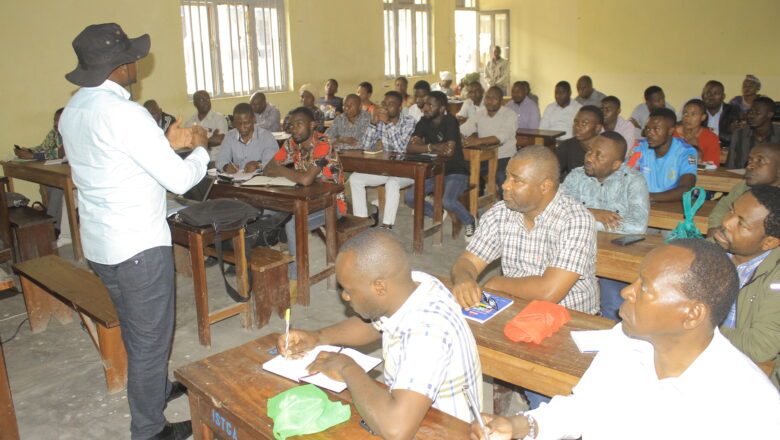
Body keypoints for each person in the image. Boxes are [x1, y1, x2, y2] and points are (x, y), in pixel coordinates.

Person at [59, 23, 210, 440]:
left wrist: (163, 140)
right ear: (120, 66)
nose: (137, 63)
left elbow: (117, 162)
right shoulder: (125, 113)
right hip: (139, 246)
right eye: (132, 57)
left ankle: (156, 391)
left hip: (102, 245)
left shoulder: (75, 110)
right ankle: (149, 429)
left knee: (136, 327)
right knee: (150, 341)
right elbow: (180, 180)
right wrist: (198, 147)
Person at [471, 239, 780, 440]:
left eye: (644, 287)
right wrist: (521, 426)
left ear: (691, 314)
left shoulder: (753, 407)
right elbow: (586, 408)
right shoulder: (627, 339)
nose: (625, 292)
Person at [279, 229, 482, 437]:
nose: (346, 297)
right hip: (411, 412)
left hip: (441, 430)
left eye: (348, 289)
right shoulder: (414, 285)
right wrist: (318, 337)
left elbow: (396, 430)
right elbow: (375, 324)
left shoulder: (428, 333)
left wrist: (348, 368)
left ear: (380, 288)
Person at [451, 146, 598, 314]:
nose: (505, 185)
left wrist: (497, 283)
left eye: (517, 180)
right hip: (513, 306)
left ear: (545, 186)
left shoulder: (576, 220)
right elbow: (467, 262)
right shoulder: (500, 213)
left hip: (569, 317)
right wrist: (464, 279)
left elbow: (548, 292)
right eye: (507, 176)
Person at [561, 132, 649, 320]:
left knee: (614, 306)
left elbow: (637, 225)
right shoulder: (576, 176)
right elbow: (556, 211)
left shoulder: (633, 180)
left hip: (614, 255)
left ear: (616, 165)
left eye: (598, 155)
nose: (589, 158)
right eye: (590, 151)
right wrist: (590, 213)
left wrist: (580, 218)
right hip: (576, 251)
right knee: (564, 302)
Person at [264, 107, 344, 289]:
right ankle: (268, 267)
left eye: (299, 124)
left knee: (293, 222)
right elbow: (269, 168)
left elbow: (306, 179)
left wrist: (285, 170)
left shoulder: (324, 143)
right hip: (303, 201)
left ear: (312, 125)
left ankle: (296, 277)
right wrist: (294, 173)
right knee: (266, 210)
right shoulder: (292, 143)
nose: (294, 129)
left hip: (331, 204)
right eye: (291, 125)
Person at [712, 186, 780, 388]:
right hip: (708, 356)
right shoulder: (712, 250)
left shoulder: (776, 276)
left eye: (741, 224)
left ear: (768, 242)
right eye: (731, 210)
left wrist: (699, 328)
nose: (726, 222)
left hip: (752, 374)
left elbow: (761, 346)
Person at [403, 91, 476, 240]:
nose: (425, 108)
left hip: (456, 171)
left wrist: (424, 146)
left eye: (430, 105)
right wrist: (433, 147)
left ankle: (470, 220)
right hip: (433, 171)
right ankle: (436, 213)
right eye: (425, 104)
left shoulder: (450, 121)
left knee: (448, 200)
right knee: (410, 197)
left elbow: (449, 152)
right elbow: (410, 147)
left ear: (442, 108)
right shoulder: (423, 121)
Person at [350, 91, 417, 229]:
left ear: (400, 107)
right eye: (384, 104)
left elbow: (402, 150)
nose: (386, 107)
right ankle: (362, 222)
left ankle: (387, 226)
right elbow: (365, 146)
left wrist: (388, 123)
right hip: (387, 169)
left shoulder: (410, 122)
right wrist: (373, 124)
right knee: (355, 178)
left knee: (392, 183)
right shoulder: (380, 122)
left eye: (391, 104)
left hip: (408, 170)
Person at [13, 108, 68, 241]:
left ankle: (52, 224)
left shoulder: (72, 132)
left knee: (56, 188)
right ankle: (53, 222)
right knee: (47, 185)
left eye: (57, 120)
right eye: (54, 120)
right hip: (58, 169)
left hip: (71, 173)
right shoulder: (54, 133)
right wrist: (29, 150)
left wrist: (33, 155)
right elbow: (44, 147)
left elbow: (60, 153)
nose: (55, 123)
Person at [708, 143, 780, 235]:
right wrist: (714, 227)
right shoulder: (745, 186)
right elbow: (724, 205)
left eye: (760, 161)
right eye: (750, 160)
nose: (749, 166)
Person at [626, 108, 697, 202]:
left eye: (656, 129)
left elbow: (686, 188)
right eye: (648, 128)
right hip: (640, 204)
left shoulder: (686, 152)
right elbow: (624, 177)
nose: (650, 133)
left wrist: (648, 197)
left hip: (672, 205)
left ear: (671, 131)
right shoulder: (640, 147)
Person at [461, 86, 518, 196]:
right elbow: (463, 129)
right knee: (460, 169)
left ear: (501, 101)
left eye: (494, 98)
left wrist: (477, 141)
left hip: (504, 157)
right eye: (487, 97)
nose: (489, 101)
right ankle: (470, 204)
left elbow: (500, 137)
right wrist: (460, 136)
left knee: (501, 175)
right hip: (483, 157)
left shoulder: (510, 115)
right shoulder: (479, 114)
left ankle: (507, 206)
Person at [215, 103, 278, 173]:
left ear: (254, 120)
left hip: (261, 180)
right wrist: (225, 167)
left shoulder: (266, 137)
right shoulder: (230, 136)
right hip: (237, 180)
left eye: (246, 123)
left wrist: (258, 165)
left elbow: (273, 163)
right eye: (238, 123)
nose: (242, 127)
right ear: (234, 123)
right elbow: (220, 159)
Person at [726, 96, 780, 168]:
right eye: (750, 111)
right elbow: (730, 166)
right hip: (742, 177)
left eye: (757, 113)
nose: (751, 115)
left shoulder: (778, 134)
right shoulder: (739, 134)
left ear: (769, 114)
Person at [555, 105, 604, 181]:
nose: (577, 126)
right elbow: (553, 171)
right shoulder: (567, 146)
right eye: (576, 122)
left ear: (598, 128)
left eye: (584, 123)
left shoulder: (606, 148)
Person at [674, 99, 721, 166]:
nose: (687, 118)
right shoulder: (671, 134)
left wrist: (695, 148)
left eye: (693, 114)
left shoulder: (711, 138)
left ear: (703, 117)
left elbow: (712, 167)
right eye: (685, 113)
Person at [183, 90, 228, 160]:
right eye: (202, 100)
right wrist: (210, 139)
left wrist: (197, 140)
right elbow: (186, 142)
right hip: (197, 161)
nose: (206, 102)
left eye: (207, 99)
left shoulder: (219, 118)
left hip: (216, 160)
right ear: (195, 103)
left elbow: (220, 139)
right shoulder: (190, 122)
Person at [701, 80, 741, 145]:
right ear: (703, 95)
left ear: (723, 96)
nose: (711, 97)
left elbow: (733, 137)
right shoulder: (698, 112)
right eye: (708, 93)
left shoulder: (733, 111)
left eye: (716, 93)